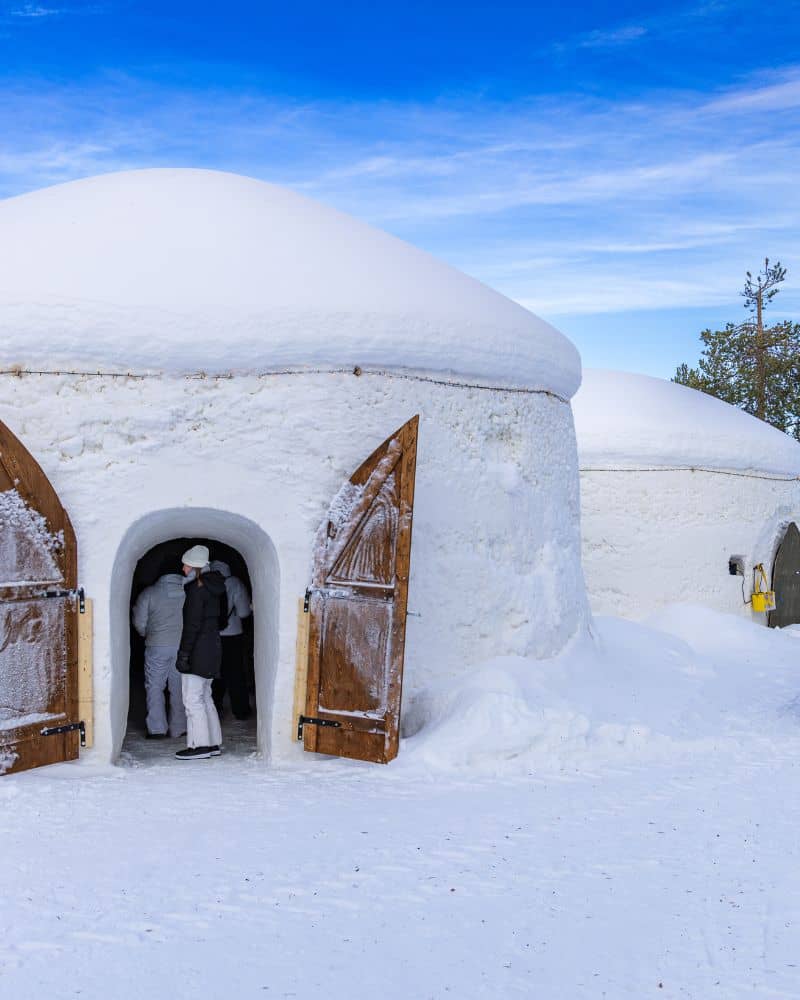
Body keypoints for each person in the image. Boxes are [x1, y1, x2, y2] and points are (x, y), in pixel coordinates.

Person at [175, 545, 226, 760]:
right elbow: (222, 620)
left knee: (192, 699)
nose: (183, 569)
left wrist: (184, 653)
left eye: (186, 565)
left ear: (195, 567)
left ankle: (200, 746)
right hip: (213, 647)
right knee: (206, 696)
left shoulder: (197, 589)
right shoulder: (217, 588)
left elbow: (191, 625)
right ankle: (213, 743)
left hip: (197, 649)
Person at [131, 563, 187, 739]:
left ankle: (157, 729)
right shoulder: (188, 592)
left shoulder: (149, 593)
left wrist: (148, 634)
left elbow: (139, 621)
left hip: (156, 646)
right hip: (182, 645)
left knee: (155, 687)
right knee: (179, 687)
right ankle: (179, 728)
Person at [210, 560, 253, 720]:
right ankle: (240, 710)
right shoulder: (235, 583)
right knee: (235, 672)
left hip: (210, 635)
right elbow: (243, 613)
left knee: (213, 671)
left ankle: (214, 706)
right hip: (233, 634)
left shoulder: (206, 582)